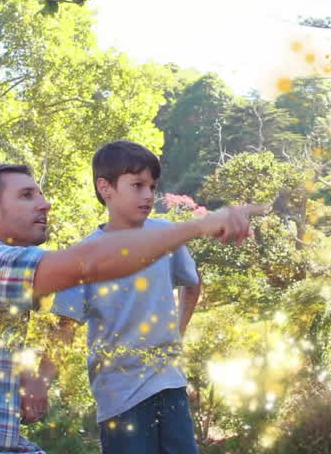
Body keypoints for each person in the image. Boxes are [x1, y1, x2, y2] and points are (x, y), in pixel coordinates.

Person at [0, 163, 258, 454]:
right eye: (27, 195)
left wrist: (25, 381)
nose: (45, 204)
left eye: (40, 194)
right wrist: (201, 225)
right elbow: (86, 265)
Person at [52, 141, 202, 453]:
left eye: (152, 186)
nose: (148, 195)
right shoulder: (82, 256)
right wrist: (39, 385)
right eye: (137, 185)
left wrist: (177, 332)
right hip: (120, 394)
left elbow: (193, 284)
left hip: (170, 383)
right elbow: (64, 327)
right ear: (105, 188)